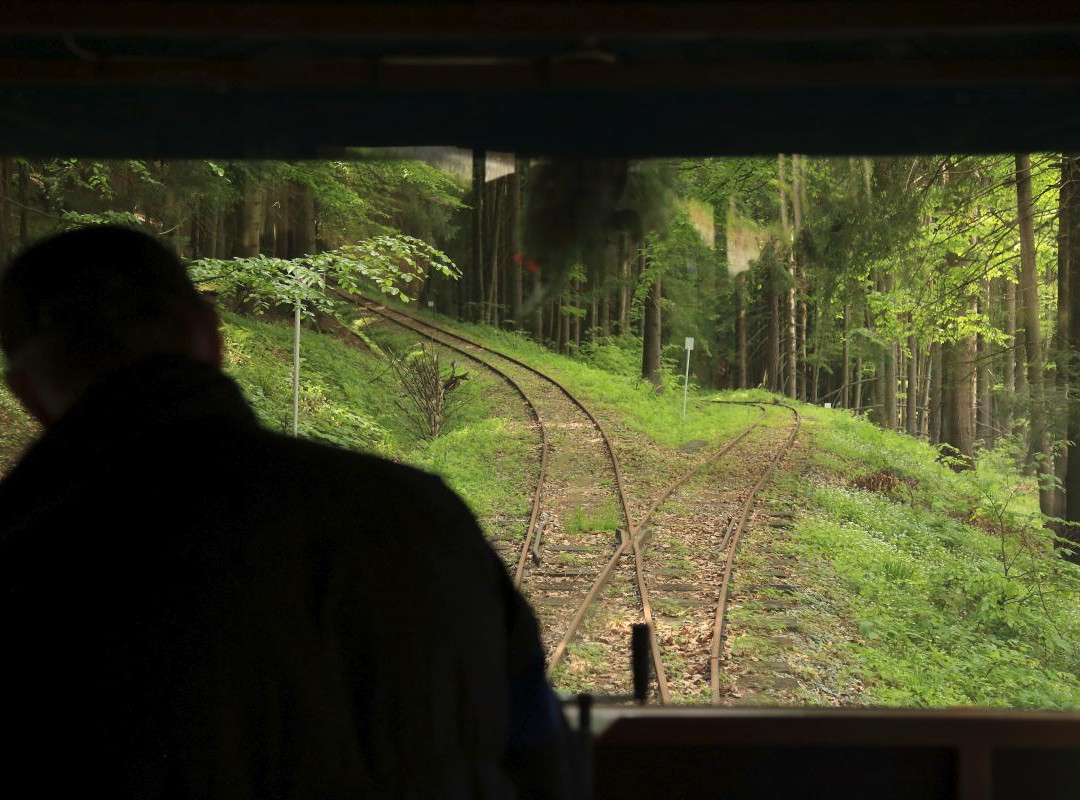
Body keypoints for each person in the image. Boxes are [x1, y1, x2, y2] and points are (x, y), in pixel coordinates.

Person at [0, 226, 573, 798]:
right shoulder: (418, 516)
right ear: (211, 336)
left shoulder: (21, 549)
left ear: (26, 392)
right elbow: (538, 749)